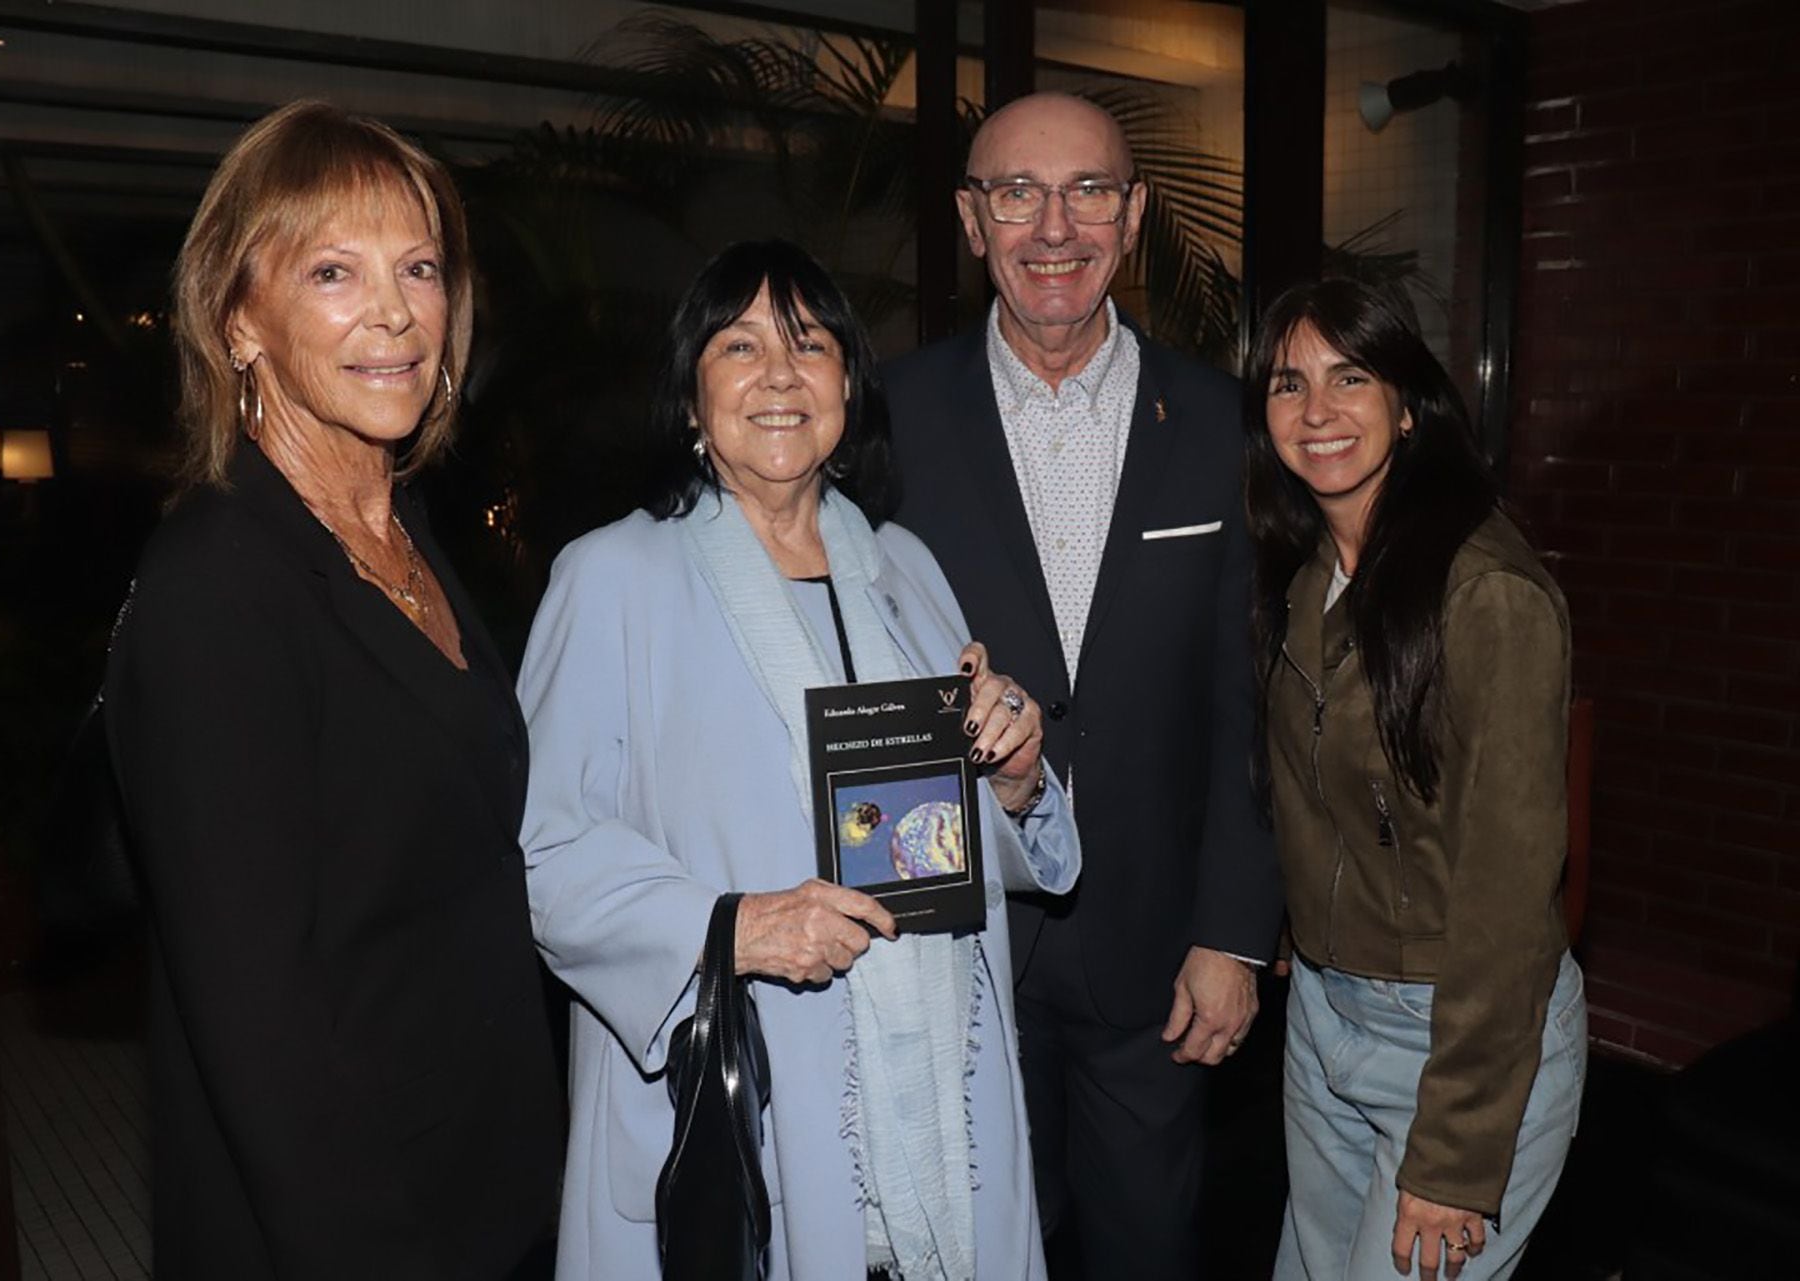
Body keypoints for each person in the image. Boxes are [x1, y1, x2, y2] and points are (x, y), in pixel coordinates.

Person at [519, 239, 1082, 1281]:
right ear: (692, 399)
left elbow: (938, 849)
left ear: (847, 388)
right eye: (740, 346)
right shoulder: (612, 579)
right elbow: (542, 854)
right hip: (751, 1094)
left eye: (810, 344)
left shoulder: (903, 568)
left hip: (940, 1110)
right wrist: (733, 926)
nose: (780, 375)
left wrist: (1008, 776)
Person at [103, 101, 558, 1279]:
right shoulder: (220, 579)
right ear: (237, 317)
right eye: (333, 272)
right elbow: (256, 1022)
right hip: (353, 1221)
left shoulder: (397, 524)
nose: (396, 312)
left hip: (479, 1174)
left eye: (417, 267)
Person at [884, 91, 1282, 1276]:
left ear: (1135, 212)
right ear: (971, 218)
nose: (1054, 227)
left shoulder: (1219, 424)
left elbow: (1248, 702)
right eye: (1017, 192)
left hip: (1156, 957)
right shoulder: (884, 421)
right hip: (953, 942)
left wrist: (1233, 934)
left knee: (1144, 1250)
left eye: (1088, 191)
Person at [1246, 278, 1585, 1281]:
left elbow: (1512, 896)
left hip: (1461, 1044)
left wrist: (1458, 1150)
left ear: (1407, 402)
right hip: (1323, 1016)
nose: (1316, 412)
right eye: (1286, 383)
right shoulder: (1303, 574)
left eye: (1350, 377)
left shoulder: (1489, 595)